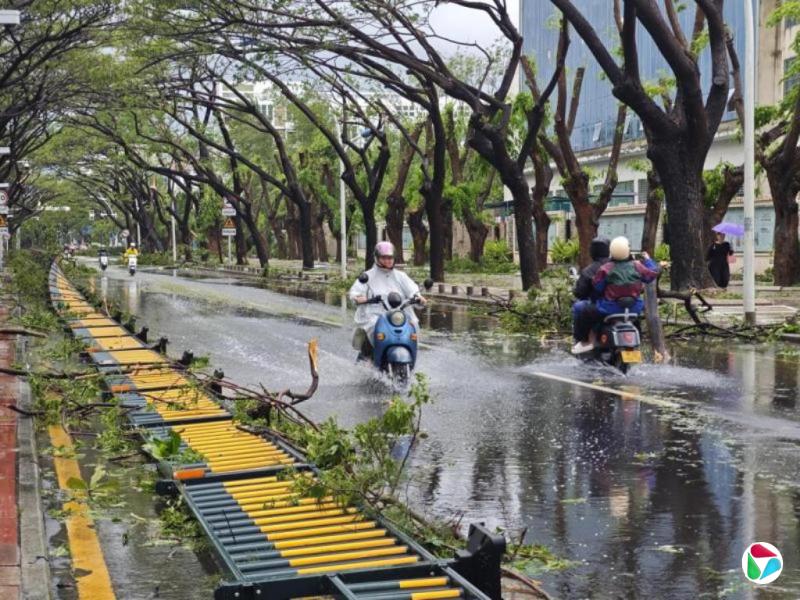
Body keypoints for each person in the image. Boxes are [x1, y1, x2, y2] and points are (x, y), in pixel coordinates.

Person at [348, 241, 426, 357]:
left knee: (413, 324)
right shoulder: (368, 276)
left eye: (390, 258)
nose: (388, 261)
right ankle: (374, 356)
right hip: (375, 314)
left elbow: (413, 290)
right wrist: (359, 298)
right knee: (374, 326)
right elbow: (355, 292)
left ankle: (410, 355)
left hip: (399, 315)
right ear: (377, 258)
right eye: (384, 258)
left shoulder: (401, 276)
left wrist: (418, 297)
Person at [589, 236, 661, 333]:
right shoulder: (637, 265)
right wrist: (648, 260)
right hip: (634, 308)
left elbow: (597, 287)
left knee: (591, 309)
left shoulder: (606, 268)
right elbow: (652, 274)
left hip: (610, 308)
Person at [571, 237, 610, 354]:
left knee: (578, 307)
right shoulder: (618, 266)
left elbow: (580, 292)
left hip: (602, 306)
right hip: (627, 307)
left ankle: (582, 339)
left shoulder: (589, 270)